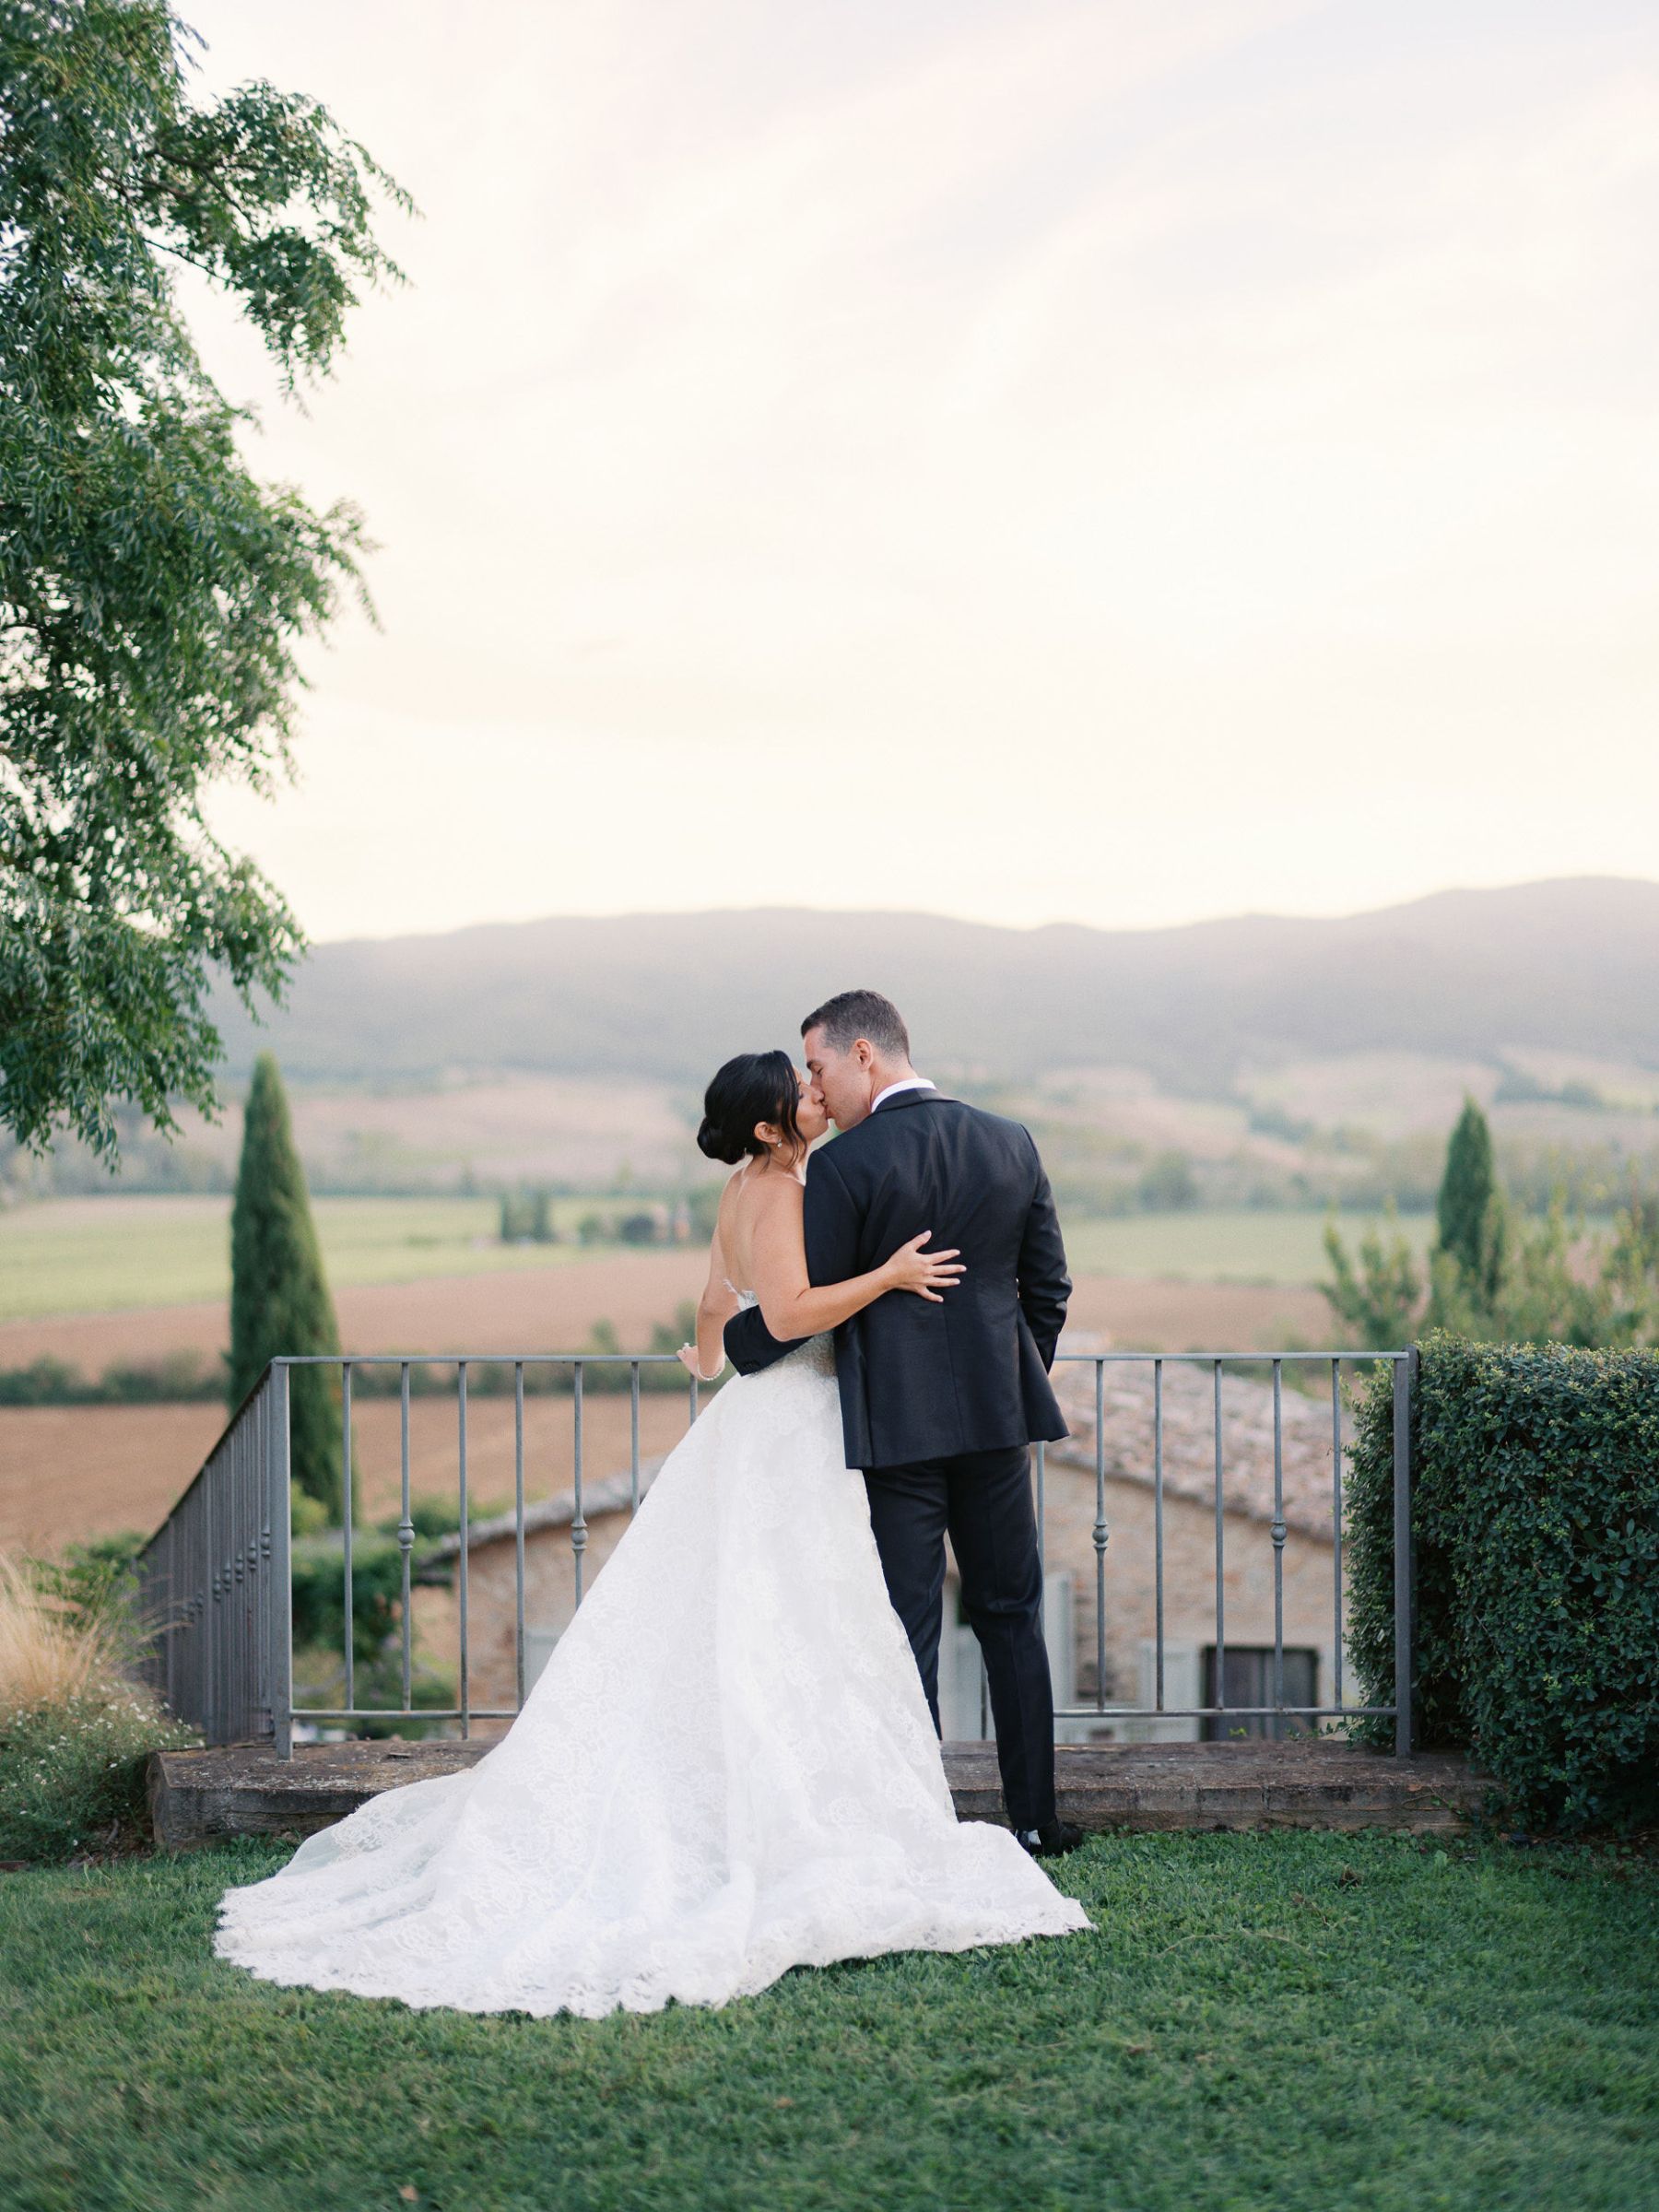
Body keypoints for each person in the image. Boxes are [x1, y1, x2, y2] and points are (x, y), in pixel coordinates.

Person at [214, 1047, 1088, 2019]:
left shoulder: (791, 1180)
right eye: (796, 1085)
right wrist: (942, 1321)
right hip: (896, 1428)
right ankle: (980, 1820)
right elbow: (881, 1305)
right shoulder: (929, 1157)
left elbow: (731, 1322)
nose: (813, 1091)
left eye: (814, 1071)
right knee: (895, 1627)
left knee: (844, 1630)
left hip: (808, 1430)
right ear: (769, 1124)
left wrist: (727, 1354)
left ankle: (873, 1806)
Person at [723, 990, 1082, 1859]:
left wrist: (736, 1338)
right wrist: (1003, 1375)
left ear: (863, 1055)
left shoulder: (846, 1168)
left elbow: (812, 1313)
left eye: (816, 1067)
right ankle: (1034, 1818)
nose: (814, 1086)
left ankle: (917, 1823)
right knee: (1011, 1617)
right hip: (1000, 1428)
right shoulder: (1011, 1142)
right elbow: (1050, 1292)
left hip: (899, 1436)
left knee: (907, 1627)